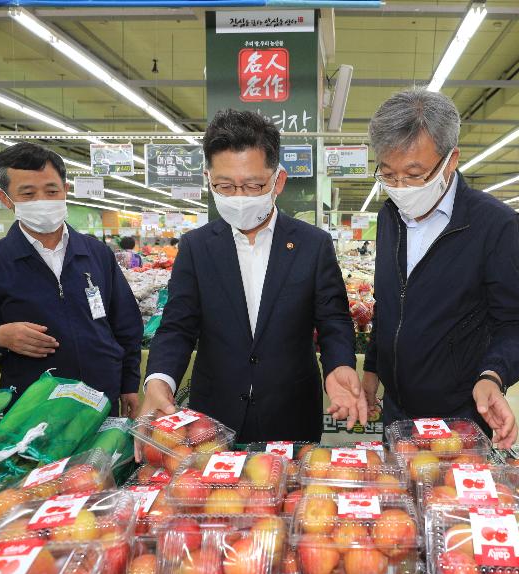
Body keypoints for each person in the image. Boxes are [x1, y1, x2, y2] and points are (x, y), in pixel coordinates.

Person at [141, 109, 366, 445]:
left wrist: (338, 366)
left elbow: (333, 321)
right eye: (225, 186)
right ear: (208, 179)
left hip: (291, 413)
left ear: (278, 181)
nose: (239, 198)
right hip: (213, 416)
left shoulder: (312, 244)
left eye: (252, 185)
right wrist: (159, 380)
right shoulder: (196, 247)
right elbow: (177, 326)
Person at [361, 90, 519, 448]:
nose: (400, 189)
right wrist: (371, 371)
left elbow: (516, 323)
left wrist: (494, 376)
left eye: (414, 175)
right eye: (388, 174)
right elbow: (389, 302)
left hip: (462, 415)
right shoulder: (388, 217)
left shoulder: (494, 225)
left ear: (451, 159)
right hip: (397, 411)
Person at [0, 142, 143, 417]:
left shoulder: (96, 253)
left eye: (51, 191)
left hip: (102, 400)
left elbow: (126, 324)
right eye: (28, 194)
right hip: (33, 411)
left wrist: (129, 384)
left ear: (66, 189)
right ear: (6, 199)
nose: (43, 201)